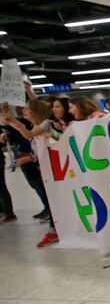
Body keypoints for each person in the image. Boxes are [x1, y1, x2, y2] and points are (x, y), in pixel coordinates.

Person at [3, 99, 60, 246]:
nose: (24, 111)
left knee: (52, 199)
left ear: (36, 110)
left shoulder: (45, 124)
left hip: (55, 169)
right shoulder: (39, 126)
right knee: (50, 198)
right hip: (47, 168)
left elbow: (29, 135)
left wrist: (17, 125)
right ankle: (55, 227)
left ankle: (55, 229)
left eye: (27, 109)